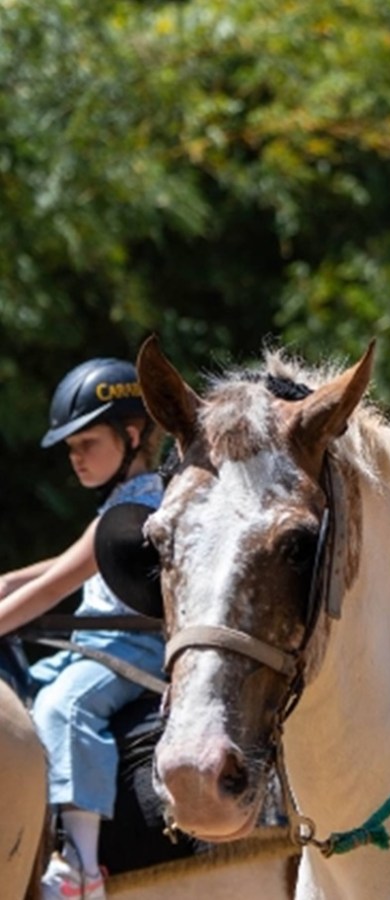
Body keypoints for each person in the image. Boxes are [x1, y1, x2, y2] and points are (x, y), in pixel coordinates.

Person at [0, 358, 166, 900]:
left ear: (132, 433)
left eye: (86, 443)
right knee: (24, 700)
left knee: (62, 707)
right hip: (96, 644)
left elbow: (53, 589)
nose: (76, 458)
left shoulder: (142, 505)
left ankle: (81, 867)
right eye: (70, 449)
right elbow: (57, 567)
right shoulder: (119, 503)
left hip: (134, 648)